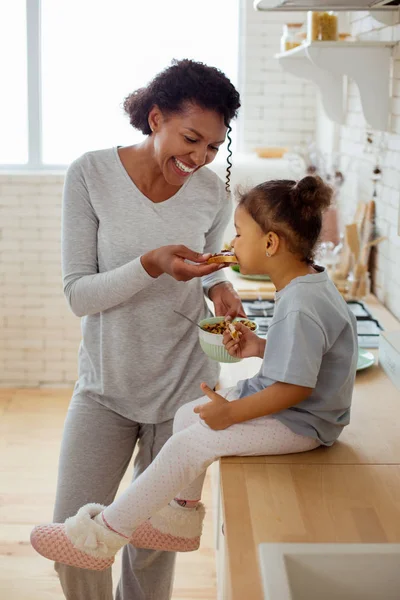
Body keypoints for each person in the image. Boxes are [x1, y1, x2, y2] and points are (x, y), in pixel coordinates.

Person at [31, 175, 359, 573]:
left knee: (190, 444)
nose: (231, 245)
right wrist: (259, 347)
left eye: (238, 235)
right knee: (190, 416)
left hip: (304, 423)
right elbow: (309, 356)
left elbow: (294, 387)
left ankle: (102, 537)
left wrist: (234, 414)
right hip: (298, 409)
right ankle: (178, 521)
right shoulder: (307, 286)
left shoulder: (300, 303)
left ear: (271, 244)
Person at [40, 58, 245, 600]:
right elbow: (78, 294)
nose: (199, 158)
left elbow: (208, 268)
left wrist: (222, 289)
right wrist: (149, 264)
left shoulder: (213, 194)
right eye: (191, 138)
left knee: (153, 545)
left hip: (183, 388)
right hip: (107, 385)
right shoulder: (90, 174)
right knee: (75, 539)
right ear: (156, 118)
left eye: (211, 147)